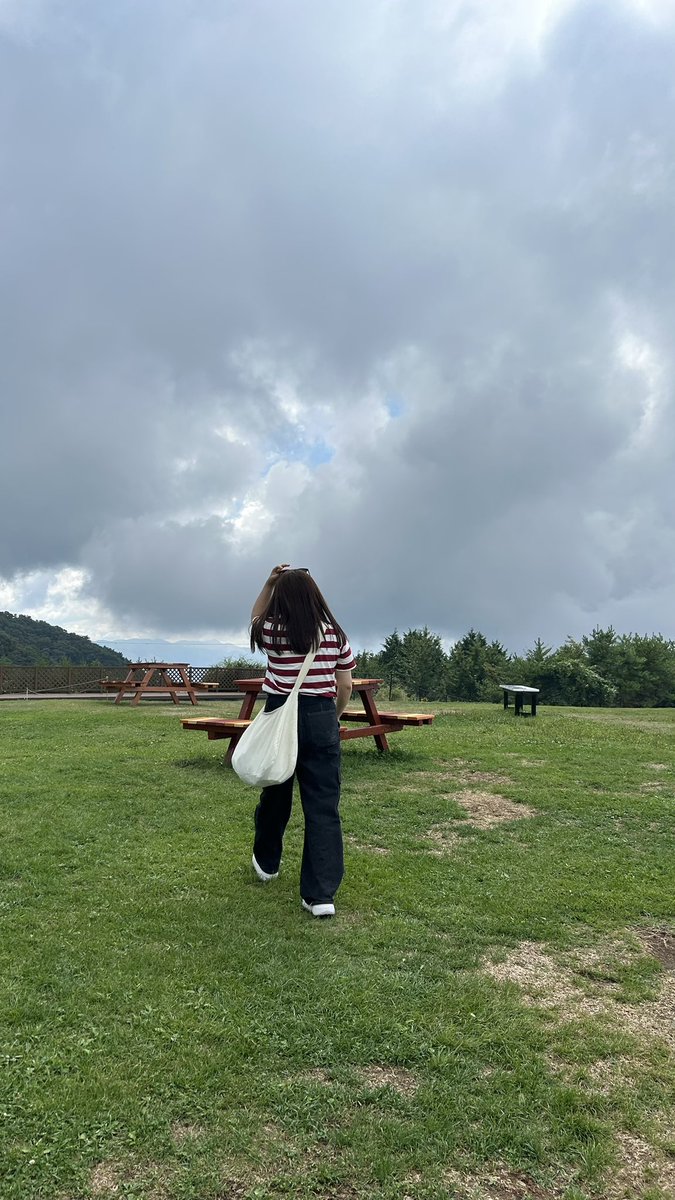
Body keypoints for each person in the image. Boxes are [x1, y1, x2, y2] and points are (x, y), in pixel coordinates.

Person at [248, 564, 356, 918]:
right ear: (315, 595)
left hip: (280, 715)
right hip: (321, 716)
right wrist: (334, 716)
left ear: (281, 596)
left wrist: (268, 583)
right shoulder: (334, 634)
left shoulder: (271, 632)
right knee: (323, 806)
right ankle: (320, 895)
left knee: (275, 791)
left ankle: (267, 862)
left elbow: (255, 616)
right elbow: (345, 686)